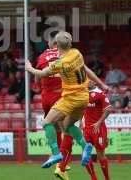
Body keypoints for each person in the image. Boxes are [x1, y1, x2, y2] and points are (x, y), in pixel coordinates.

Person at [25, 31, 108, 170]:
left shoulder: (60, 63)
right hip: (84, 98)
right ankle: (85, 145)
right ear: (70, 43)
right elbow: (85, 70)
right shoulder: (77, 53)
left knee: (46, 122)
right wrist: (100, 84)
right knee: (67, 126)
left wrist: (29, 68)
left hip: (71, 98)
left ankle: (56, 154)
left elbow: (40, 74)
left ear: (56, 45)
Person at [34, 31, 73, 179]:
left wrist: (38, 84)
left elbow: (38, 75)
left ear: (50, 44)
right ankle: (62, 164)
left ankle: (56, 155)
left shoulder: (43, 56)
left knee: (53, 125)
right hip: (62, 94)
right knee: (68, 129)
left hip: (46, 97)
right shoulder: (67, 54)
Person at [83, 82, 112, 180]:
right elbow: (80, 109)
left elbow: (108, 109)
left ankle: (107, 178)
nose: (87, 82)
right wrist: (80, 123)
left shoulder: (100, 94)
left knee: (100, 155)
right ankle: (93, 177)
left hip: (98, 128)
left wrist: (99, 122)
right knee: (85, 155)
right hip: (86, 128)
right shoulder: (83, 93)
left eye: (90, 80)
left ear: (94, 82)